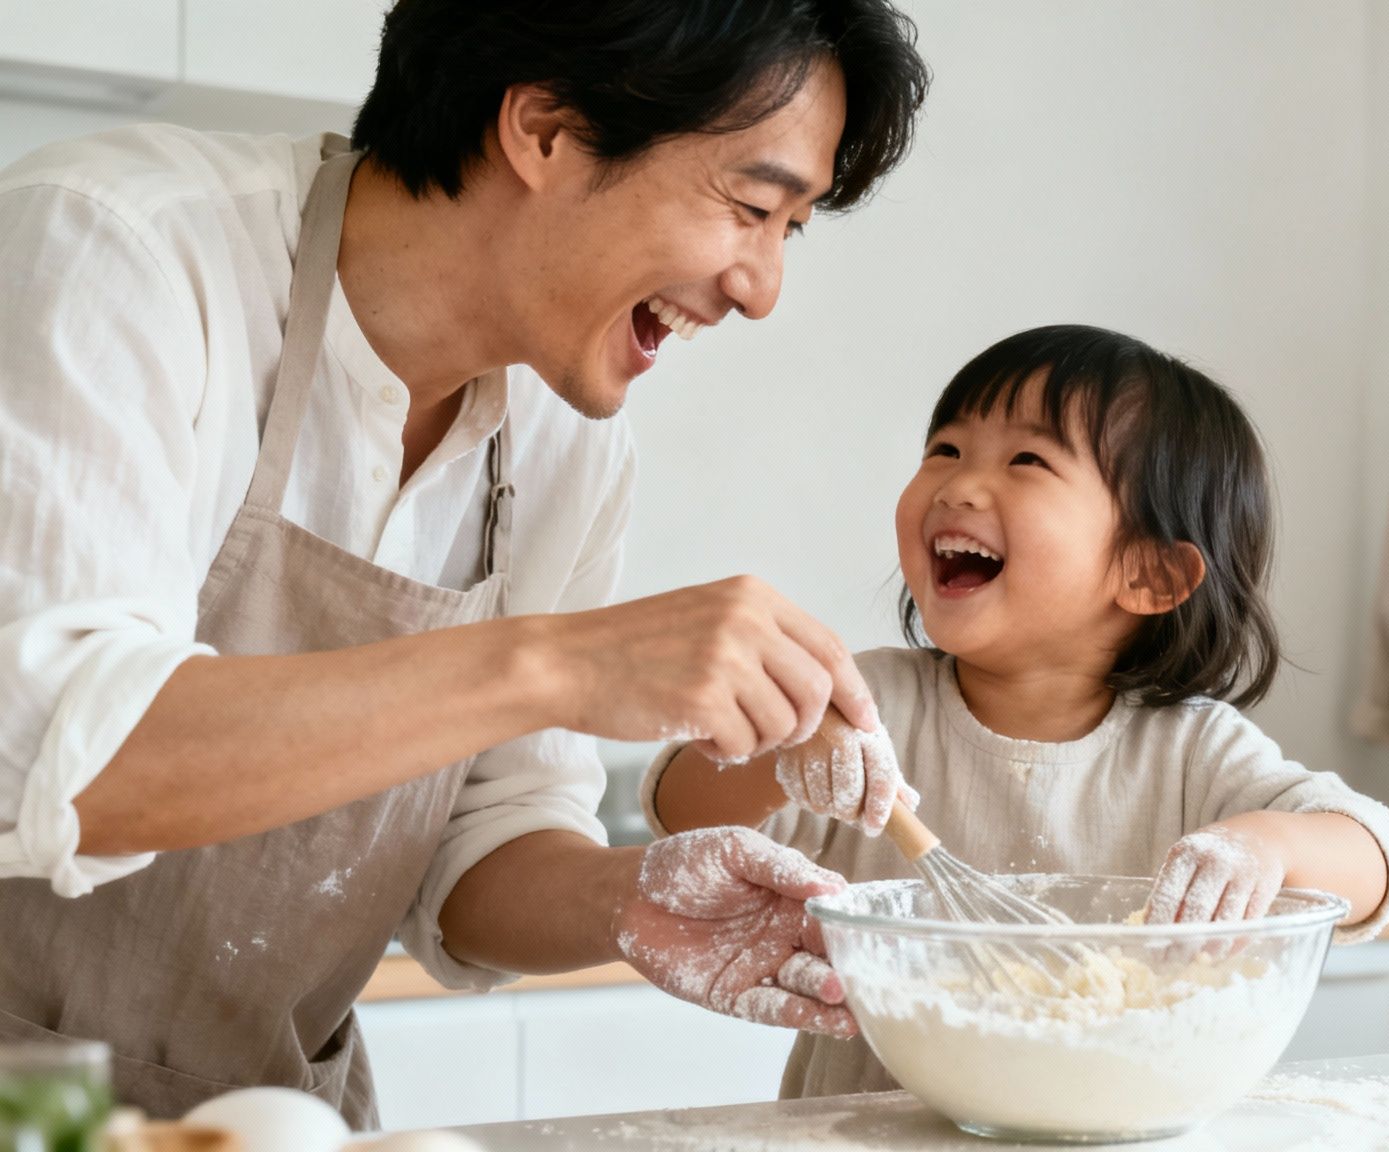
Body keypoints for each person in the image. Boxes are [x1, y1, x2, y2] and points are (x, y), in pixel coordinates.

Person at [0, 0, 928, 1126]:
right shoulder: (121, 247)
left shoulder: (567, 445)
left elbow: (482, 849)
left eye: (791, 229)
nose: (760, 287)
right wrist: (558, 664)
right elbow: (64, 755)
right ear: (542, 128)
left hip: (256, 1116)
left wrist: (631, 899)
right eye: (749, 207)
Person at [649, 324, 1389, 1098]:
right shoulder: (865, 708)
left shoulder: (1190, 750)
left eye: (1026, 461)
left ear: (1149, 572)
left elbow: (1372, 860)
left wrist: (1268, 844)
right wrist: (792, 742)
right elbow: (681, 811)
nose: (957, 485)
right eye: (944, 450)